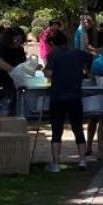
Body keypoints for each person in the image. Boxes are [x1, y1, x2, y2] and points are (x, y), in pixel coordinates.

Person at [42, 30, 93, 172]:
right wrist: (87, 71)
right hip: (75, 96)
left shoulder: (52, 55)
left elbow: (50, 73)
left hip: (58, 96)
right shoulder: (78, 53)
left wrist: (42, 70)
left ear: (52, 43)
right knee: (78, 128)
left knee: (56, 130)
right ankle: (82, 160)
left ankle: (56, 163)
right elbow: (91, 57)